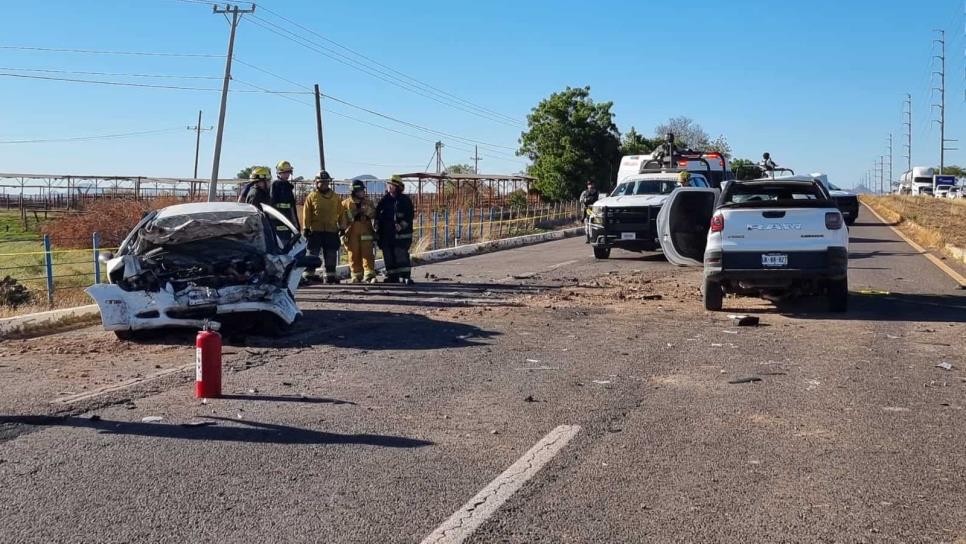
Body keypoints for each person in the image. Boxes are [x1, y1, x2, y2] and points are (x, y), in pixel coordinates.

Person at [301, 170, 343, 284]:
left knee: (331, 254)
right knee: (312, 253)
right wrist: (306, 228)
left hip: (331, 231)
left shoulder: (335, 197)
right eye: (321, 182)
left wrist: (342, 227)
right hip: (315, 231)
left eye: (326, 182)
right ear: (316, 183)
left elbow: (341, 213)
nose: (324, 184)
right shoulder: (312, 196)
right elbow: (307, 213)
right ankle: (308, 276)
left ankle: (330, 277)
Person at [375, 175, 415, 284]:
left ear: (397, 187)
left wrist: (401, 225)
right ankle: (392, 276)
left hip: (401, 235)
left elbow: (409, 216)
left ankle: (405, 276)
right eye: (389, 185)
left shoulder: (404, 200)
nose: (389, 187)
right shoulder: (384, 200)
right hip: (386, 234)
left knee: (400, 254)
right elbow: (377, 214)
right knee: (388, 255)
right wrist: (377, 226)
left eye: (392, 185)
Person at [340, 180, 377, 283]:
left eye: (362, 190)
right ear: (353, 191)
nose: (362, 193)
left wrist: (366, 210)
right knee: (353, 254)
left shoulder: (368, 202)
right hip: (352, 233)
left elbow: (374, 214)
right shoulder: (345, 204)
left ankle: (369, 274)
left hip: (366, 231)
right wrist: (342, 232)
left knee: (368, 253)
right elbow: (343, 220)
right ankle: (356, 275)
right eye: (360, 191)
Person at [270, 160, 300, 242]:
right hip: (277, 223)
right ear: (279, 173)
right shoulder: (275, 185)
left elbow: (292, 208)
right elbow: (271, 205)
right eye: (285, 172)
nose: (287, 175)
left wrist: (296, 226)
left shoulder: (288, 187)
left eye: (288, 172)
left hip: (287, 223)